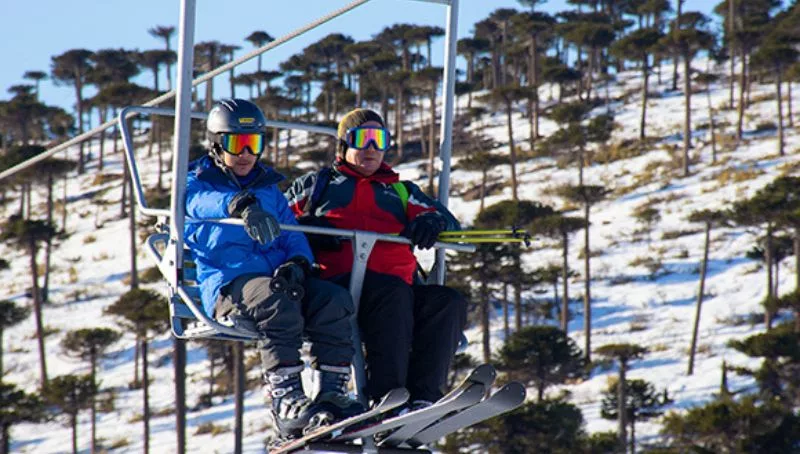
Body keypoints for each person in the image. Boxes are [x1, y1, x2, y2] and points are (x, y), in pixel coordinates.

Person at [184, 99, 363, 437]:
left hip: (276, 279)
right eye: (237, 143)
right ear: (217, 144)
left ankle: (332, 391)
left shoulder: (268, 188)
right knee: (275, 299)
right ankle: (286, 398)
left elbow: (290, 232)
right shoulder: (197, 183)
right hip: (230, 284)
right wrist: (237, 204)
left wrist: (298, 261)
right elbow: (198, 204)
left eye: (254, 143)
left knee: (333, 298)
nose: (246, 153)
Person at [285, 108, 467, 411]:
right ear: (344, 144)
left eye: (379, 140)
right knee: (391, 294)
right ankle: (387, 397)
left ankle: (423, 397)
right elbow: (276, 222)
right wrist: (308, 232)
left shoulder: (401, 191)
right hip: (340, 288)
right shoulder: (318, 186)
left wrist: (432, 222)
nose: (371, 148)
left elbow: (450, 224)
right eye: (362, 139)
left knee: (447, 302)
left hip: (398, 288)